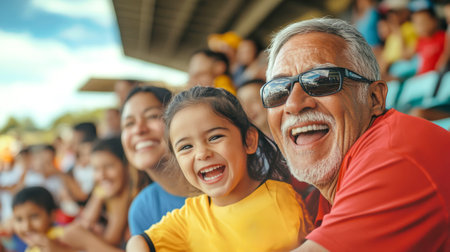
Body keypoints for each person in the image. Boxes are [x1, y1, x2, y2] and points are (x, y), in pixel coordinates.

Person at [261, 17, 450, 251]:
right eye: (278, 90)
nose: (293, 104)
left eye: (322, 80)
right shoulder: (318, 193)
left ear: (375, 99)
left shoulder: (395, 155)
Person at [126, 86, 313, 251]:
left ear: (248, 141)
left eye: (214, 137)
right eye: (186, 147)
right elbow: (138, 243)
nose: (201, 153)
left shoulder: (283, 195)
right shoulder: (189, 217)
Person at [120, 86, 200, 236]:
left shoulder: (217, 179)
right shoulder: (143, 209)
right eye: (129, 123)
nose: (139, 129)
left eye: (152, 116)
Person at [57, 137, 131, 252]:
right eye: (96, 169)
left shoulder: (128, 195)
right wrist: (98, 195)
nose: (101, 175)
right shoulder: (106, 193)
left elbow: (111, 240)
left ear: (127, 165)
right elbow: (86, 221)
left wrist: (86, 239)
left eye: (109, 166)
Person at [11, 186, 74, 252]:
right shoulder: (31, 249)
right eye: (19, 219)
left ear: (52, 215)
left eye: (34, 216)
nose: (26, 226)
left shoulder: (63, 237)